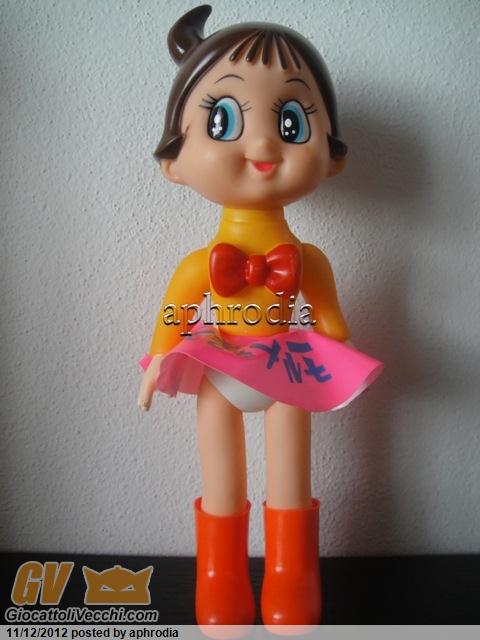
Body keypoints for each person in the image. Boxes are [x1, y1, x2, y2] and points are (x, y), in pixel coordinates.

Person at [137, 5, 382, 631]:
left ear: (331, 155)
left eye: (291, 120)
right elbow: (175, 313)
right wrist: (158, 361)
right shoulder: (201, 264)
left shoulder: (308, 261)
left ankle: (292, 574)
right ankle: (219, 577)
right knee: (222, 480)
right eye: (223, 119)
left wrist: (340, 357)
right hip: (220, 369)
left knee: (290, 479)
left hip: (288, 373)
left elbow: (332, 325)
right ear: (174, 161)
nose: (265, 144)